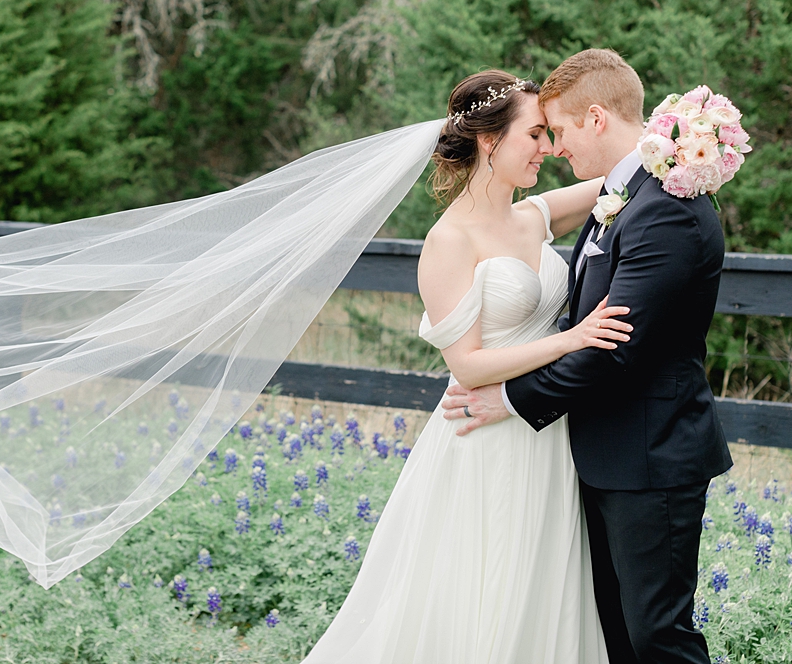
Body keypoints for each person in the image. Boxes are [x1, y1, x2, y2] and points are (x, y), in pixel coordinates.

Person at [302, 69, 633, 664]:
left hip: (547, 435)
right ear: (490, 141)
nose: (549, 148)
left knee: (543, 590)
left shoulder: (532, 217)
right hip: (486, 440)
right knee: (486, 592)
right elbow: (470, 364)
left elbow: (627, 174)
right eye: (535, 134)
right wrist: (572, 340)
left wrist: (680, 138)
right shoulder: (448, 240)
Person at [442, 50, 734, 663]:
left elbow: (612, 349)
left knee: (657, 634)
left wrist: (510, 399)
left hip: (651, 455)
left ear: (596, 118)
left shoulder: (664, 210)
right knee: (613, 633)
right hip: (597, 453)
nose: (556, 147)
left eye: (562, 131)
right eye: (540, 134)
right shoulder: (625, 194)